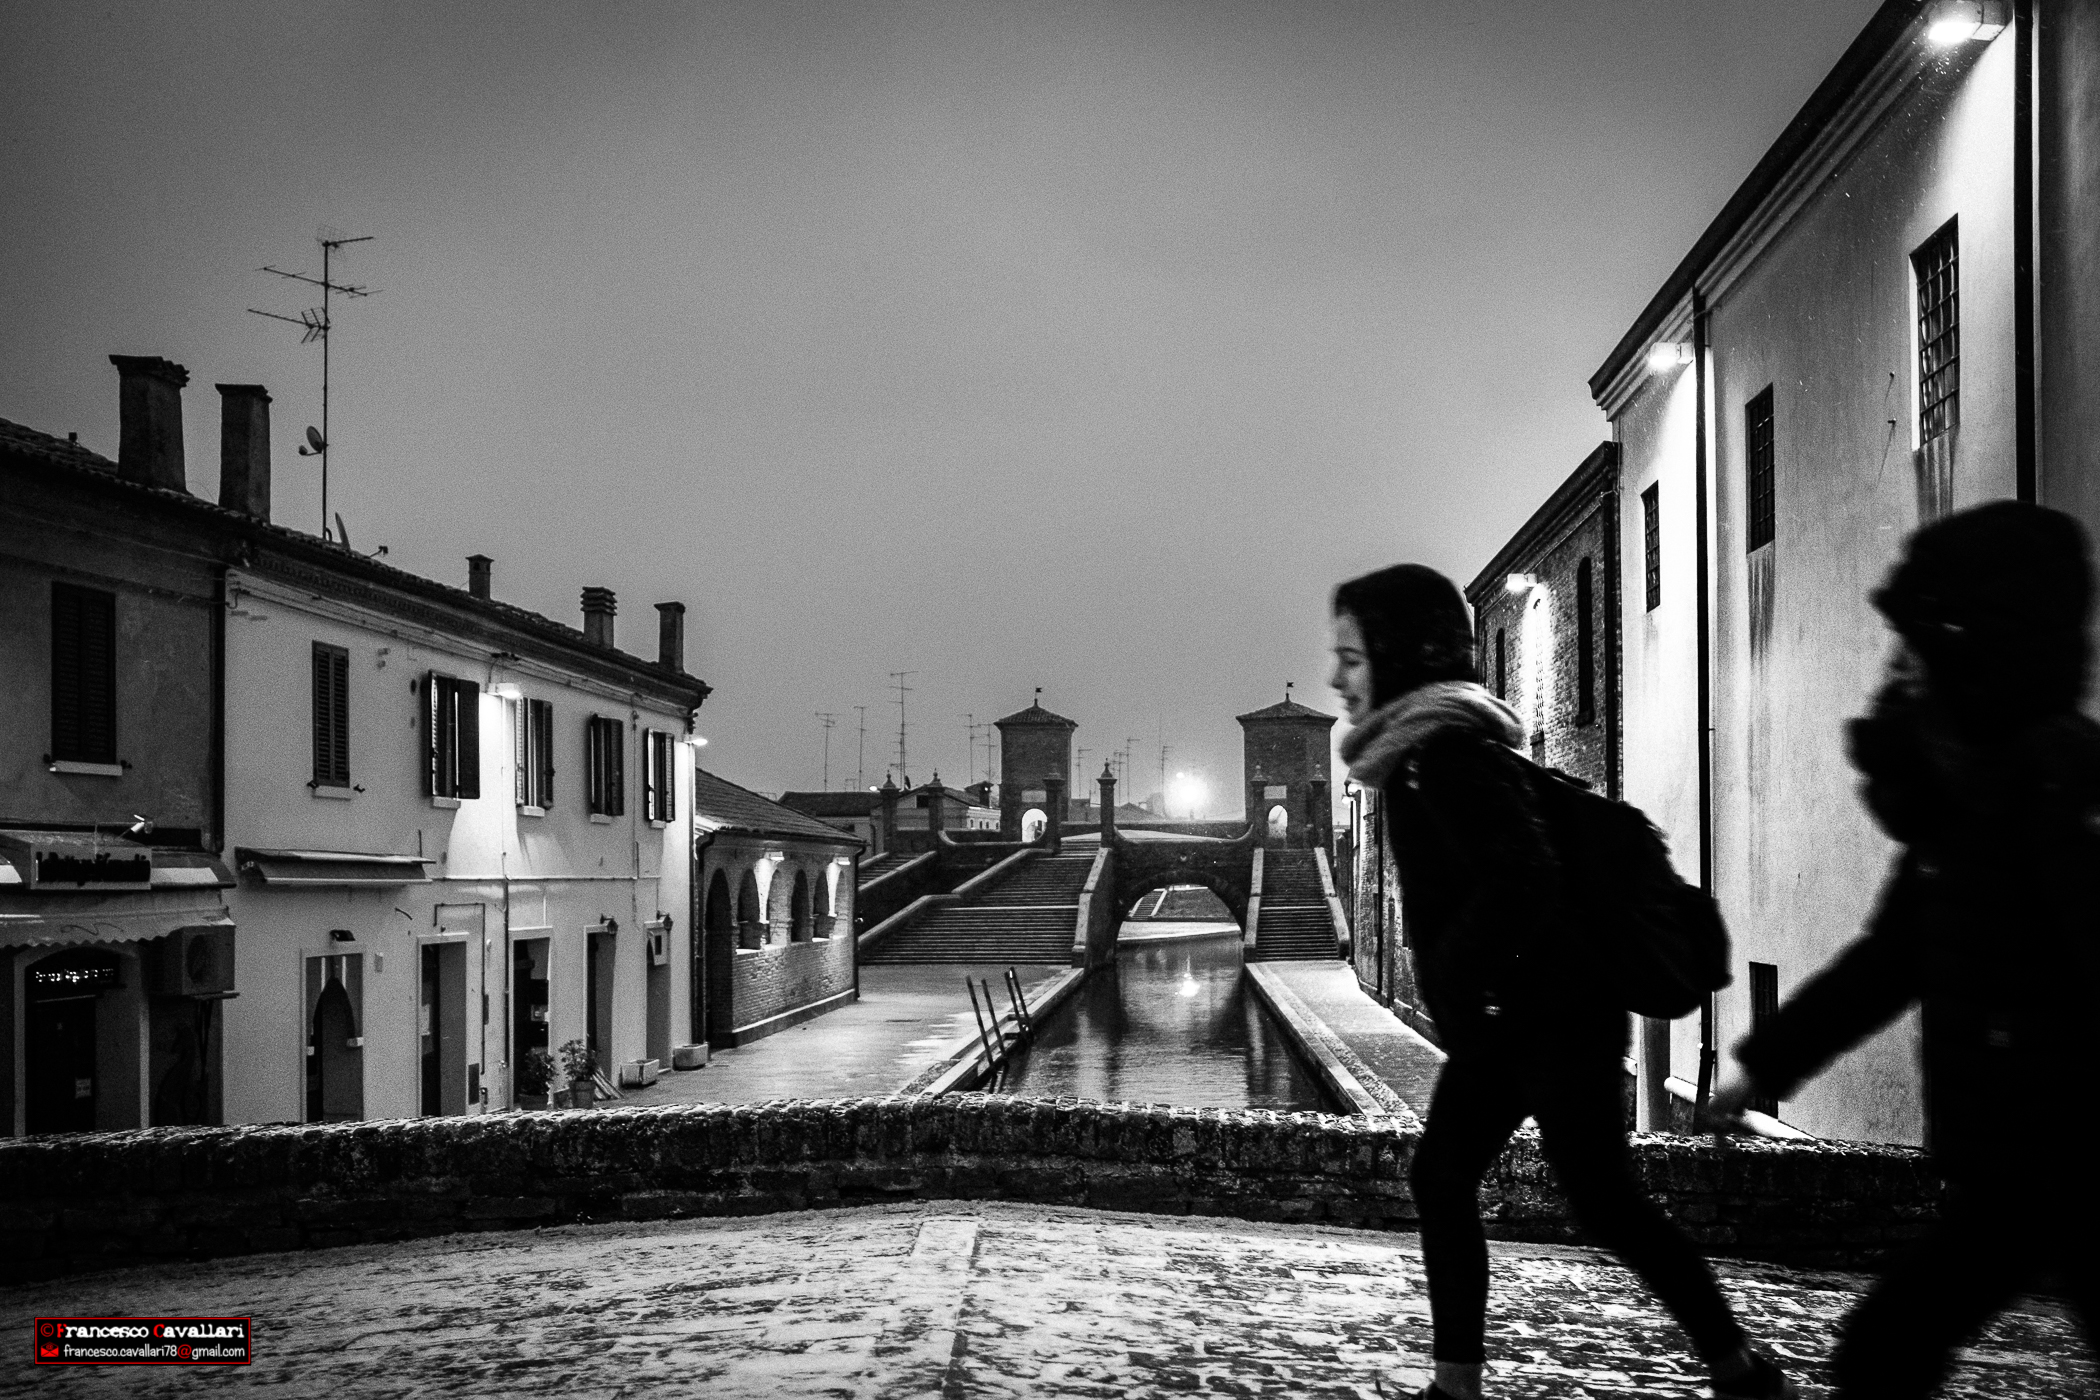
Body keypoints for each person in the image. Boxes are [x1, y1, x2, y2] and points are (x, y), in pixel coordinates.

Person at [1331, 562, 1792, 1400]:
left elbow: (1521, 879)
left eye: (1352, 657)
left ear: (1398, 658)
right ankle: (1458, 1386)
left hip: (1552, 1022)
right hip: (1516, 1023)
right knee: (1452, 1181)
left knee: (1602, 1203)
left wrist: (1466, 984)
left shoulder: (1442, 760)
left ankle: (1738, 1366)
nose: (1337, 677)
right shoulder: (1420, 757)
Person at [1708, 501, 2100, 1397]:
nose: (1892, 672)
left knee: (1886, 1353)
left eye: (1911, 649)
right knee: (1884, 1355)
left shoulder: (2056, 790)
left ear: (1971, 650)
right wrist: (1763, 1065)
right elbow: (1886, 965)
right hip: (2014, 1175)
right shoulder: (1963, 814)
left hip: (2071, 1160)